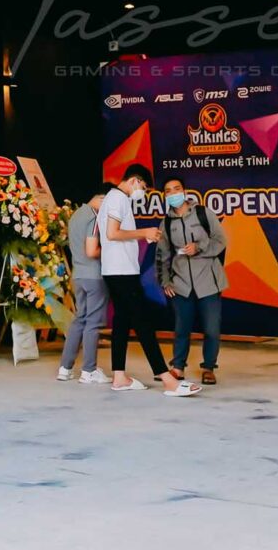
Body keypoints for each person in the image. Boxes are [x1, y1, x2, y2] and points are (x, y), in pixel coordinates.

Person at [98, 165, 186, 394]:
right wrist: (143, 233)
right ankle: (168, 380)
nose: (143, 193)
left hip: (115, 269)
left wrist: (140, 236)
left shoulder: (113, 198)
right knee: (143, 322)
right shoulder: (118, 199)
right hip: (122, 271)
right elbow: (112, 233)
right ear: (135, 181)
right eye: (144, 188)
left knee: (121, 322)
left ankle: (119, 376)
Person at [161, 181, 226, 390]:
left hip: (208, 281)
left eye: (176, 189)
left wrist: (199, 247)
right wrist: (165, 281)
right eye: (168, 191)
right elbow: (162, 254)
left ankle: (209, 367)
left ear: (184, 192)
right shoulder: (166, 222)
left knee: (212, 329)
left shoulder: (203, 213)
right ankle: (178, 367)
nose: (173, 194)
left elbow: (220, 241)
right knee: (181, 328)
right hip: (181, 284)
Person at [57, 197, 109, 384]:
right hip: (94, 276)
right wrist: (110, 248)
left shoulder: (76, 215)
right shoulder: (94, 217)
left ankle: (65, 368)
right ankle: (89, 370)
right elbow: (91, 251)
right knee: (93, 323)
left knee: (80, 320)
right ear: (102, 199)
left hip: (78, 275)